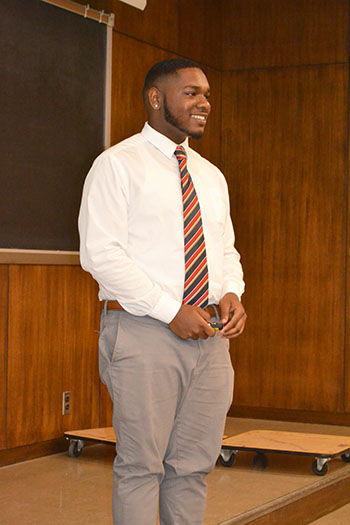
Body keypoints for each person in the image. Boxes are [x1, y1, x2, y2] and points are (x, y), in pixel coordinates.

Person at [78, 58, 247, 525]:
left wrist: (231, 291)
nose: (205, 103)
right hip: (142, 331)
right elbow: (101, 255)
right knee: (141, 468)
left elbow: (226, 250)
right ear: (156, 98)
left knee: (193, 467)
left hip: (210, 339)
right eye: (191, 92)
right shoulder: (116, 166)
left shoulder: (211, 176)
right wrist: (171, 309)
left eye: (207, 94)